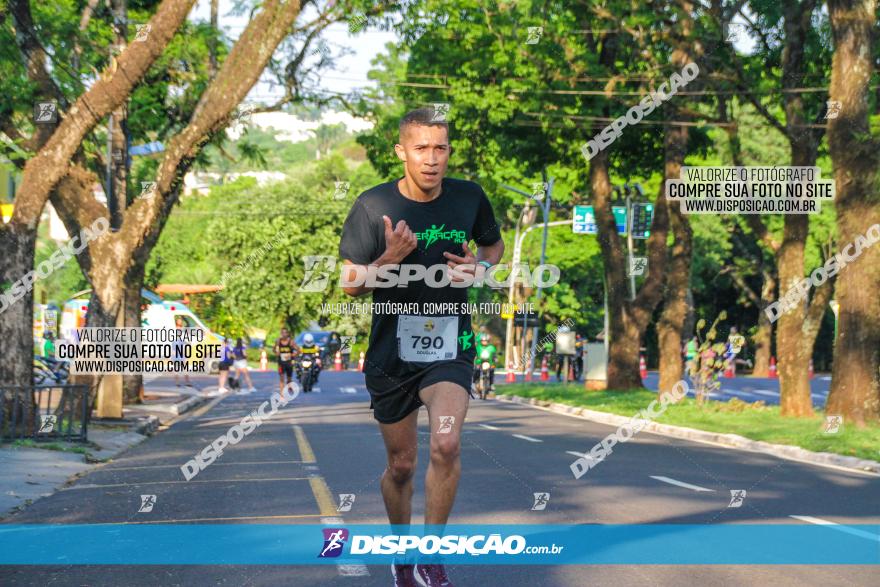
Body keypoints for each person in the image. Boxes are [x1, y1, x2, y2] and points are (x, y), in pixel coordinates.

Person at [339, 107, 504, 587]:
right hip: (391, 353)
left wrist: (482, 268)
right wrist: (389, 258)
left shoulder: (470, 197)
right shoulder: (372, 206)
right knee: (402, 464)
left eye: (440, 148)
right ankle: (402, 552)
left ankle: (432, 556)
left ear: (448, 152)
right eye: (421, 148)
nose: (432, 159)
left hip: (451, 344)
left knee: (447, 444)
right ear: (401, 152)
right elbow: (350, 283)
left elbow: (492, 249)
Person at [273, 328, 299, 394]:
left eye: (285, 333)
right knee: (281, 378)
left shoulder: (291, 342)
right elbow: (274, 349)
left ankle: (289, 385)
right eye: (282, 333)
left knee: (289, 378)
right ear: (281, 334)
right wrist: (277, 353)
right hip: (281, 363)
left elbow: (299, 350)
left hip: (289, 362)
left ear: (287, 334)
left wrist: (291, 355)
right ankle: (282, 394)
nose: (284, 334)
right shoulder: (278, 341)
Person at [173, 317, 194, 388]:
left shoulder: (182, 331)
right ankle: (177, 383)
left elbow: (185, 342)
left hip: (182, 353)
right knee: (176, 369)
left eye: (181, 321)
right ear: (176, 322)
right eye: (179, 321)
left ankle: (187, 382)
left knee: (185, 368)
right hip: (175, 352)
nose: (180, 322)